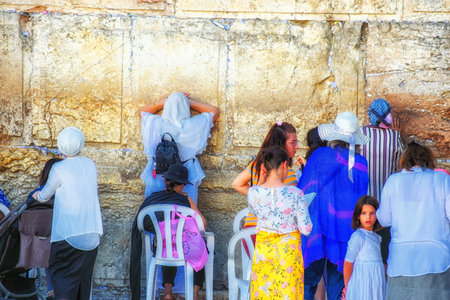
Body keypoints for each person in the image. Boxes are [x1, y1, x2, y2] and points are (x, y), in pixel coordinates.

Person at [298, 112, 369, 300]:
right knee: (339, 285)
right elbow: (361, 199)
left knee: (309, 282)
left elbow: (304, 191)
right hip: (345, 231)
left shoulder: (320, 155)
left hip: (317, 227)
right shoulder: (361, 163)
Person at [31, 127, 103, 300]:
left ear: (61, 146)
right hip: (92, 237)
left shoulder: (59, 168)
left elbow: (44, 195)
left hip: (67, 237)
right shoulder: (90, 164)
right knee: (82, 282)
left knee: (62, 279)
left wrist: (36, 195)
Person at [376, 141, 450, 300]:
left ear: (405, 159)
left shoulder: (393, 181)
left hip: (400, 260)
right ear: (429, 159)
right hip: (435, 259)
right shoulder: (442, 180)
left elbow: (384, 219)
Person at [130, 164, 207, 300]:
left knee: (166, 243)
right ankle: (194, 293)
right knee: (202, 246)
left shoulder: (153, 199)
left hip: (160, 249)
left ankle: (167, 292)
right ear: (183, 185)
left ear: (165, 181)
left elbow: (141, 224)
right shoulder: (186, 200)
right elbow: (203, 225)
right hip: (185, 249)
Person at [247, 147, 312, 299]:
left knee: (264, 293)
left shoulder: (253, 192)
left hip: (263, 252)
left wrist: (261, 181)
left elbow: (255, 212)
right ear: (284, 165)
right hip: (287, 254)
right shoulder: (295, 194)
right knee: (288, 293)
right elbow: (306, 229)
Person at [140, 92, 219, 204]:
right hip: (185, 175)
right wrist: (188, 102)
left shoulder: (156, 124)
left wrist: (166, 101)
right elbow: (214, 112)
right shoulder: (192, 126)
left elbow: (143, 112)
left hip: (157, 173)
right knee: (185, 208)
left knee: (154, 207)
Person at [232, 121, 299, 251]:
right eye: (292, 142)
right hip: (270, 235)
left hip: (249, 232)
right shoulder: (286, 173)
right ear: (281, 144)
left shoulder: (256, 165)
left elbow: (237, 184)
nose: (296, 147)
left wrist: (257, 194)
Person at [361, 98, 404, 263]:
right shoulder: (394, 136)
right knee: (384, 249)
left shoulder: (360, 134)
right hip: (386, 202)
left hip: (363, 200)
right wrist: (398, 134)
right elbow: (401, 165)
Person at [343, 196, 385, 300]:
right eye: (364, 213)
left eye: (372, 213)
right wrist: (348, 288)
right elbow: (348, 263)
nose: (368, 217)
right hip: (362, 283)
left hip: (375, 282)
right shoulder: (358, 236)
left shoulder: (376, 237)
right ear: (358, 216)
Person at [34, 158, 63, 300]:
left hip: (40, 241)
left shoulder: (39, 192)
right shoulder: (65, 193)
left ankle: (51, 289)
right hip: (63, 238)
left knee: (48, 252)